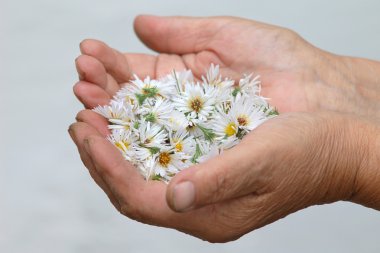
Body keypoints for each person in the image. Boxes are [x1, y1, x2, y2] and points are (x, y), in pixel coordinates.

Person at [68, 15, 380, 243]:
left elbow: (347, 153)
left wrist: (350, 158)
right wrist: (346, 84)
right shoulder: (174, 111)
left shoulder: (225, 116)